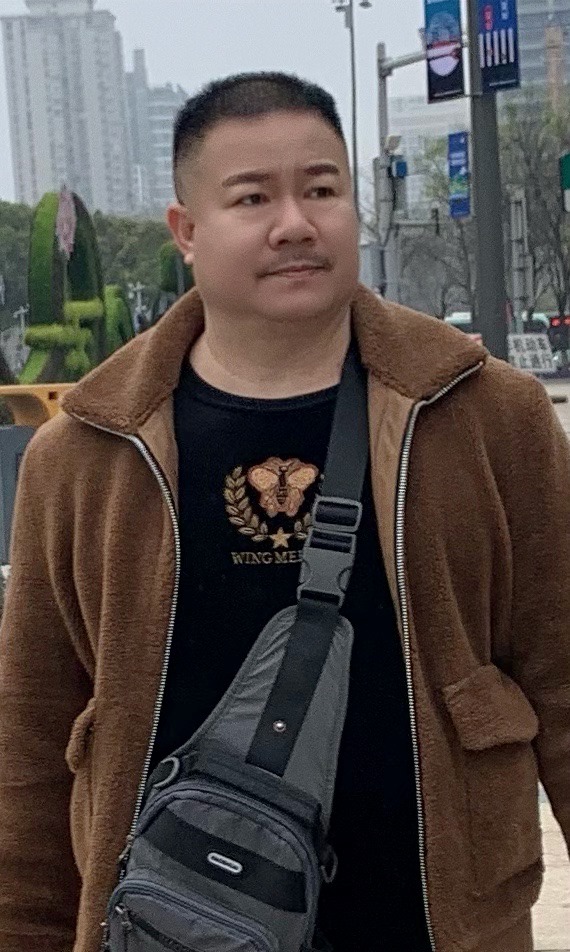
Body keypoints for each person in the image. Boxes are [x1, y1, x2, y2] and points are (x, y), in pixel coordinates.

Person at [0, 72, 568, 952]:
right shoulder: (86, 453)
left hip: (436, 922)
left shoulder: (487, 416)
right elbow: (31, 742)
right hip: (174, 922)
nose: (295, 223)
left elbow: (563, 672)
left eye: (322, 189)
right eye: (252, 197)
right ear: (186, 230)